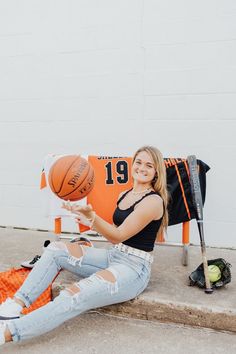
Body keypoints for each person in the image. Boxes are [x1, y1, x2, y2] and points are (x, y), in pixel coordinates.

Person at [0, 145, 169, 345]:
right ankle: (13, 307)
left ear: (156, 172)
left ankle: (7, 333)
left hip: (133, 269)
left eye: (149, 165)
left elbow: (118, 235)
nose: (142, 168)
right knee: (55, 249)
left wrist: (92, 219)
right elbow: (115, 239)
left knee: (74, 294)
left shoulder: (153, 202)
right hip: (113, 256)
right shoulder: (124, 194)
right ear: (132, 165)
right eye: (139, 162)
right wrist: (85, 217)